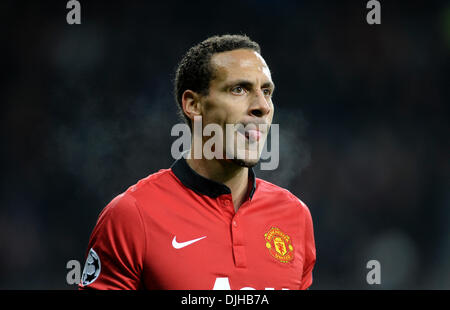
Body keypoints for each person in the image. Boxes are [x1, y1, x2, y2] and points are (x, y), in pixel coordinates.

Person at [79, 34, 316, 290]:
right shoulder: (132, 216)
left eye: (266, 91)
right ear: (193, 105)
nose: (262, 106)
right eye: (239, 89)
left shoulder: (295, 216)